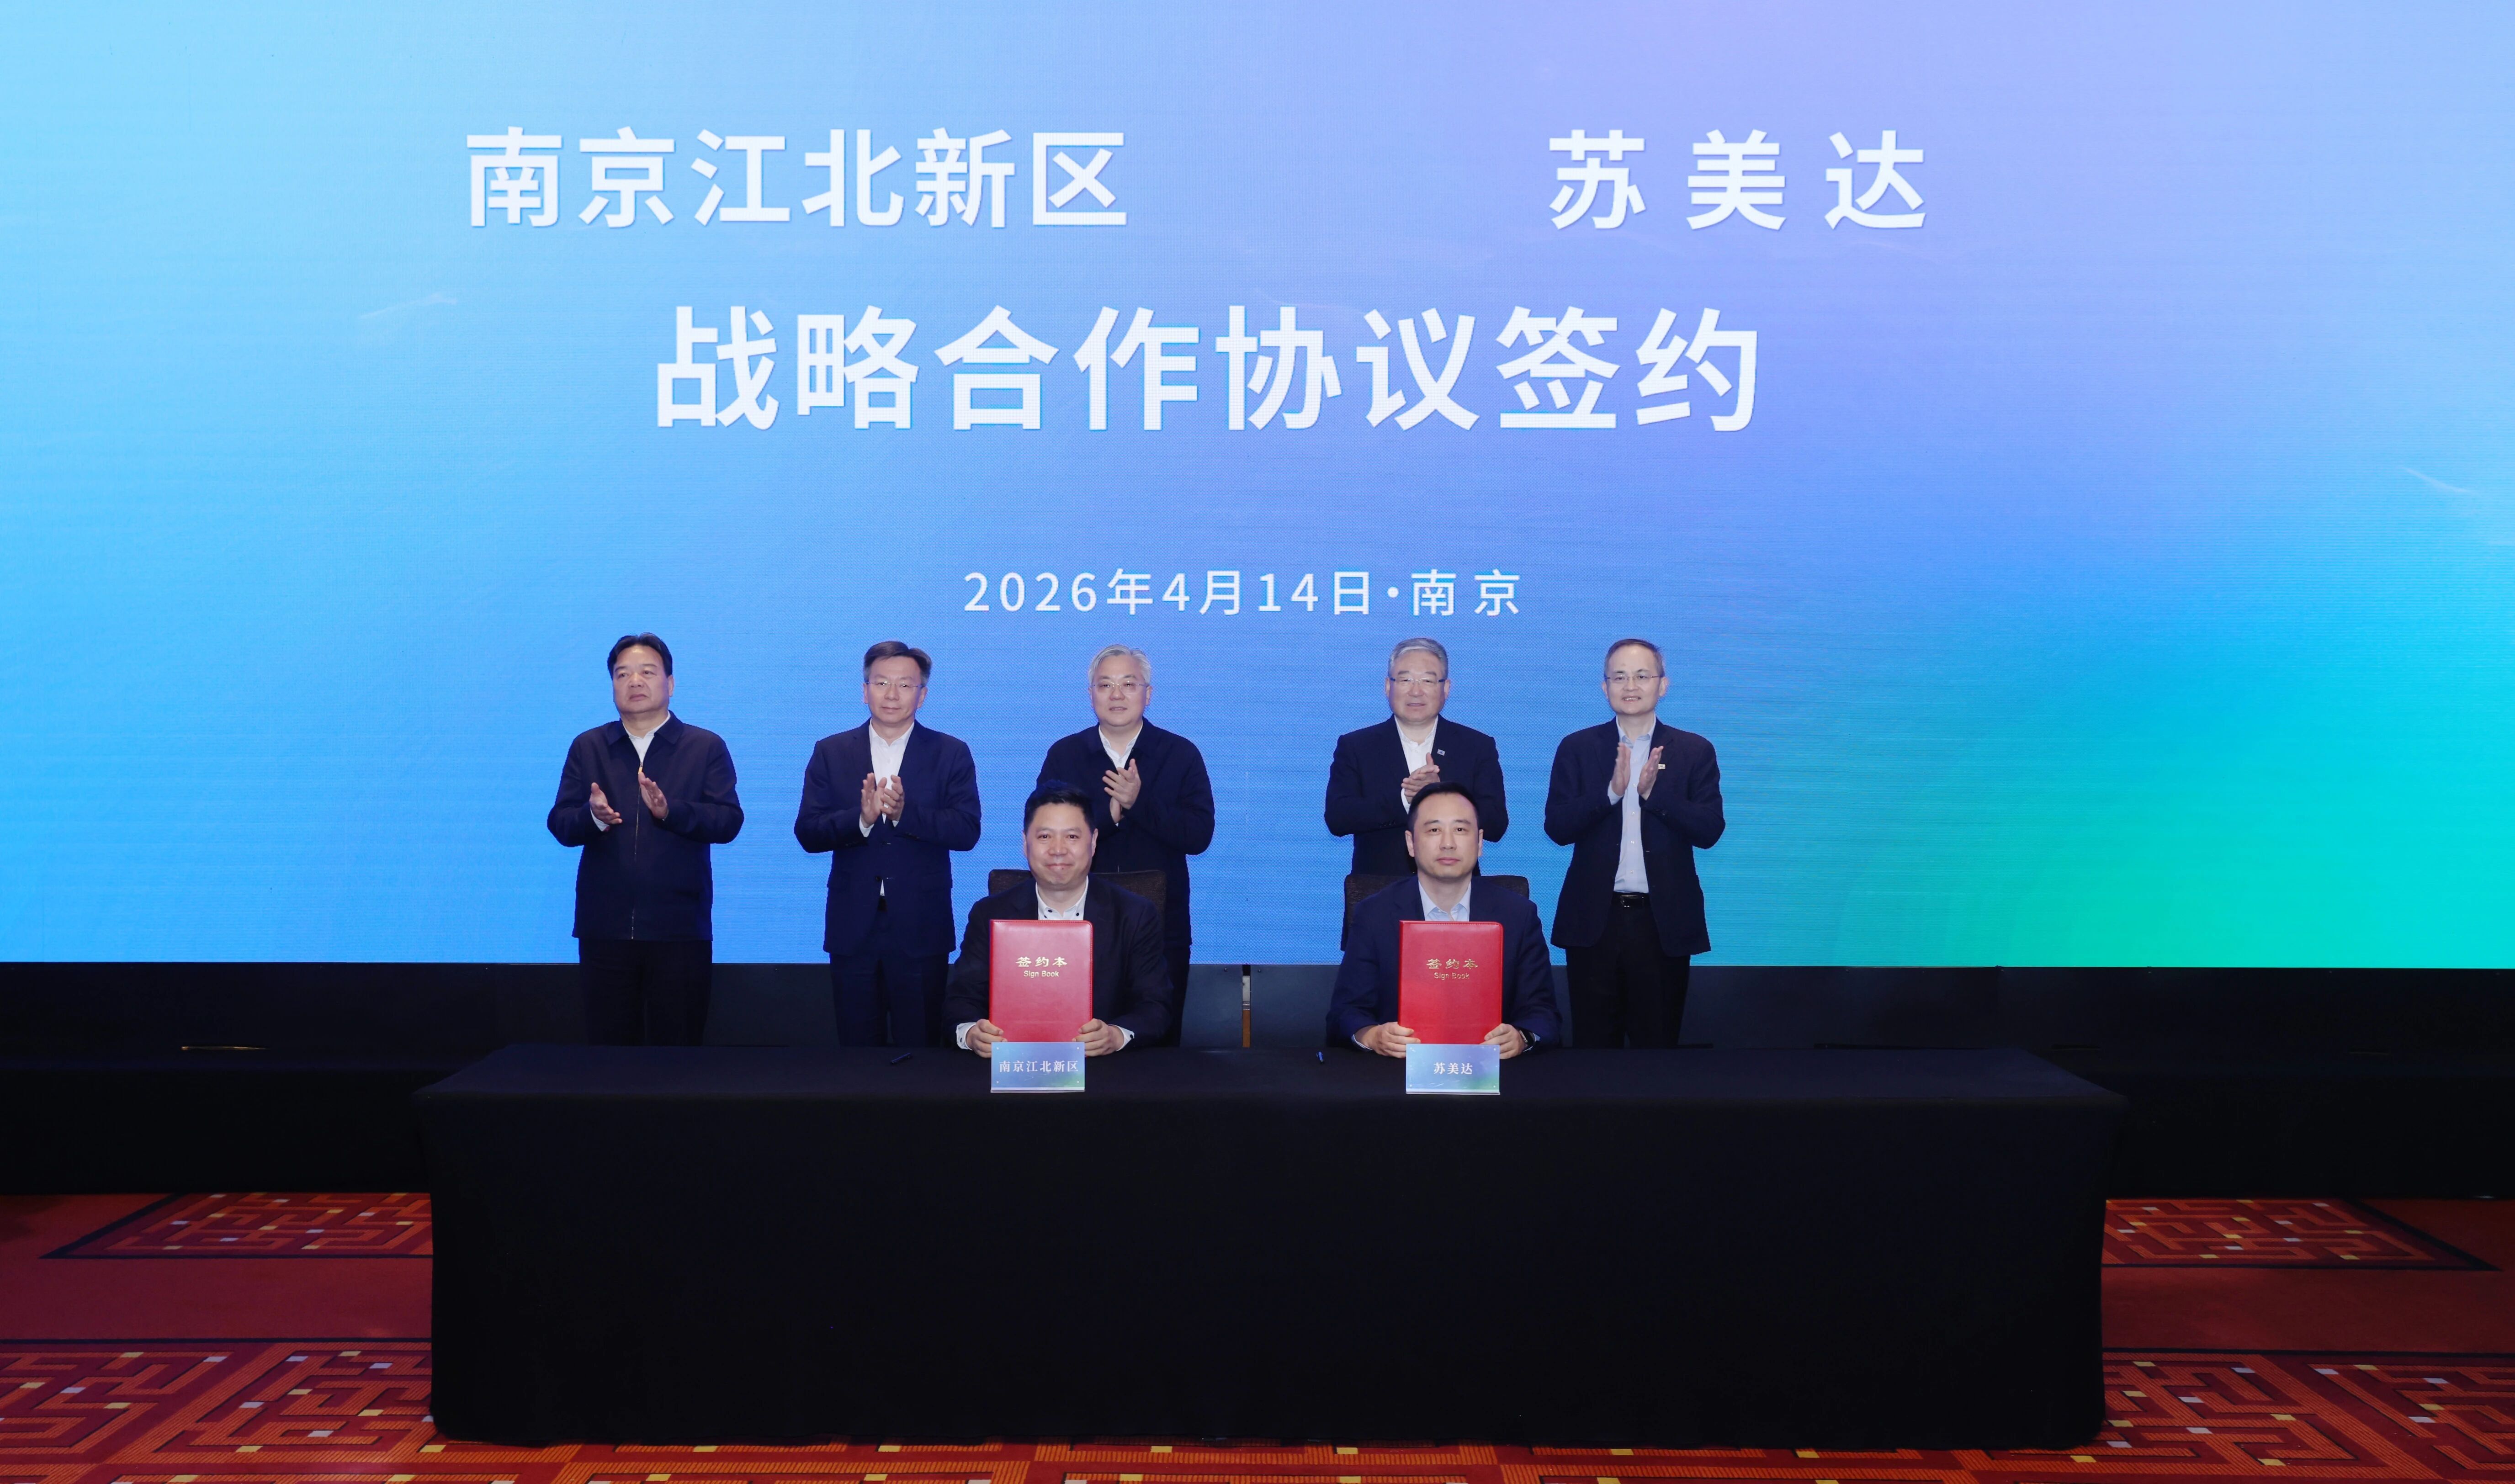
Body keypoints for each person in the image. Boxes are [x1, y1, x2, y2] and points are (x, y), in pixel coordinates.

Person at [546, 633, 744, 1045]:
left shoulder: (704, 747)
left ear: (670, 684)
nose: (634, 681)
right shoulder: (589, 746)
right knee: (610, 1054)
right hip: (605, 930)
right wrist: (592, 818)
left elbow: (728, 821)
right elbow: (561, 824)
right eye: (623, 675)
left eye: (647, 673)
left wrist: (671, 812)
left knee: (678, 1054)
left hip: (679, 929)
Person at [795, 641, 981, 1047]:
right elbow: (808, 831)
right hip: (853, 926)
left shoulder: (951, 753)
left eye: (905, 685)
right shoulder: (831, 751)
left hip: (921, 925)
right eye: (881, 683)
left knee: (922, 1049)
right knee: (858, 1050)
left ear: (922, 695)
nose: (892, 694)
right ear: (865, 691)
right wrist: (861, 820)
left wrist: (903, 815)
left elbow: (967, 831)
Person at [1543, 637, 1724, 1048]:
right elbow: (1557, 827)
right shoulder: (1578, 748)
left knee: (1657, 1049)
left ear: (1663, 685)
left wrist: (1654, 795)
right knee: (1593, 1049)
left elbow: (1710, 830)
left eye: (1642, 676)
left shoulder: (1694, 750)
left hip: (1662, 923)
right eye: (1619, 677)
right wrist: (1610, 793)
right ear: (1604, 687)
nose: (1630, 686)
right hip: (1595, 922)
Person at [1036, 645, 1214, 1043]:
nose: (1117, 695)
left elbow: (1199, 835)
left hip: (1161, 925)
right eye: (1106, 685)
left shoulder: (1180, 753)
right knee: (1078, 1038)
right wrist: (1111, 815)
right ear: (1091, 694)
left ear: (1148, 694)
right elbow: (1044, 831)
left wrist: (1139, 803)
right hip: (1078, 924)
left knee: (1157, 1040)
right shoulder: (1066, 754)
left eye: (1129, 684)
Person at [1327, 782, 1560, 1056]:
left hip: (1493, 1071)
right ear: (1411, 843)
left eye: (1460, 830)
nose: (1448, 843)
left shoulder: (1518, 914)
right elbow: (1345, 1013)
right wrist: (1372, 1036)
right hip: (1397, 1071)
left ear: (1480, 842)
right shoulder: (1375, 914)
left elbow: (1544, 1013)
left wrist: (1521, 1037)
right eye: (1434, 830)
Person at [944, 782, 1173, 1055]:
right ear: (1025, 843)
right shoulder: (990, 914)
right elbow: (960, 1001)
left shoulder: (1135, 915)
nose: (1058, 850)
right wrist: (972, 1033)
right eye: (1045, 837)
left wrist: (1115, 1036)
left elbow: (1156, 1006)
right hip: (1014, 1064)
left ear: (1094, 841)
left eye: (1072, 837)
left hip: (1104, 1069)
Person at [1324, 636, 1509, 931]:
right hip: (1378, 900)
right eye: (1406, 679)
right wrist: (1405, 801)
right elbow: (1338, 817)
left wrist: (1441, 795)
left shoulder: (1477, 746)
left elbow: (1497, 824)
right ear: (1388, 687)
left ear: (1446, 689)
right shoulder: (1357, 746)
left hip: (1457, 904)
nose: (1416, 690)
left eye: (1428, 680)